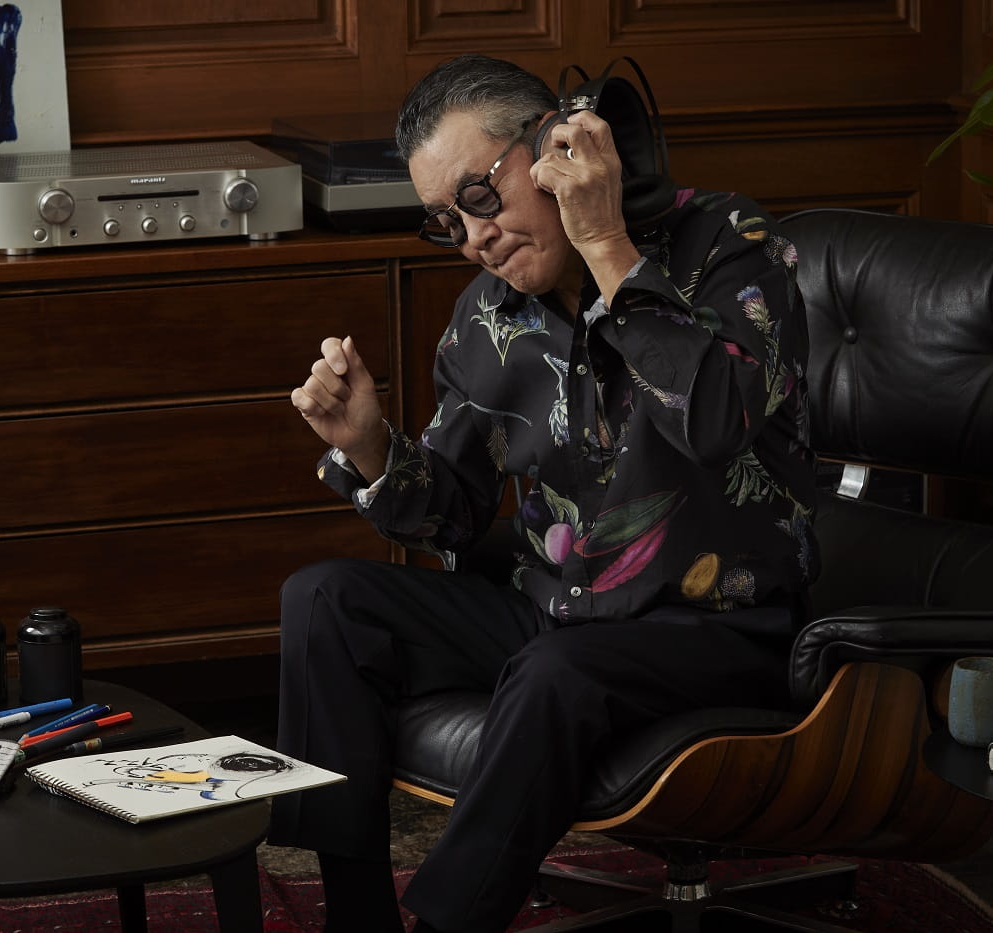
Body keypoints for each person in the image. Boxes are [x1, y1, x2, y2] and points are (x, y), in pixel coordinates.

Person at [269, 53, 820, 933]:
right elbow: (453, 514)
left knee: (555, 671)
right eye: (447, 221)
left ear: (558, 147)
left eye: (478, 196)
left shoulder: (729, 243)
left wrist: (605, 247)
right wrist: (369, 447)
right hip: (559, 617)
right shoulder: (487, 317)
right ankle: (357, 918)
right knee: (325, 600)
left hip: (720, 626)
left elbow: (718, 419)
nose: (473, 237)